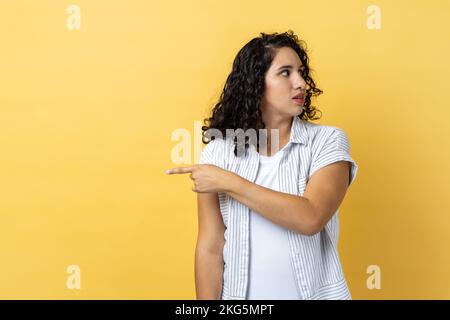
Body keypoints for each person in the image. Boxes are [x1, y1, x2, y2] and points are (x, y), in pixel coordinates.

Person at [167, 30, 358, 300]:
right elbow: (210, 247)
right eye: (286, 72)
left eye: (301, 72)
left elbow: (311, 217)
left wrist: (229, 182)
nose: (301, 82)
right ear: (256, 83)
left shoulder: (327, 142)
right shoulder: (219, 153)